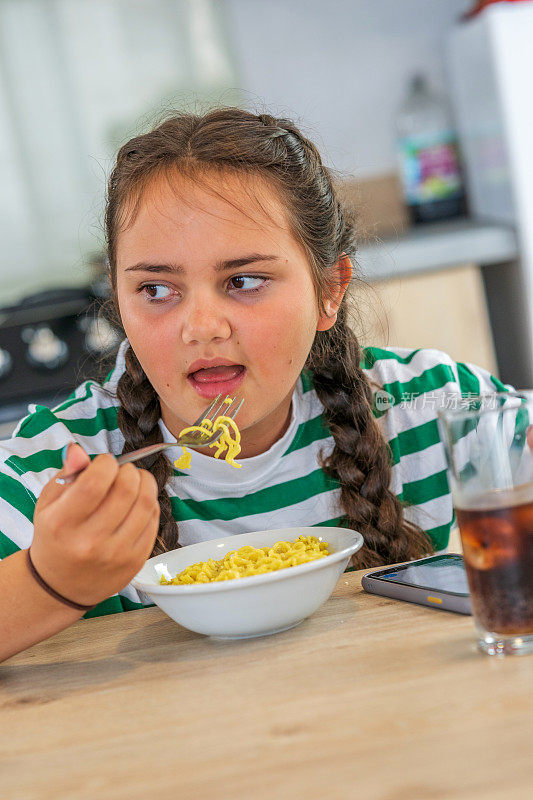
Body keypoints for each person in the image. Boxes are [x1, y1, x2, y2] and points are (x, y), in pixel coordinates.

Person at [0, 107, 509, 661]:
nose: (201, 328)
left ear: (329, 290)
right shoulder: (50, 467)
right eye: (155, 290)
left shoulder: (426, 405)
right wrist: (50, 582)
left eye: (243, 281)